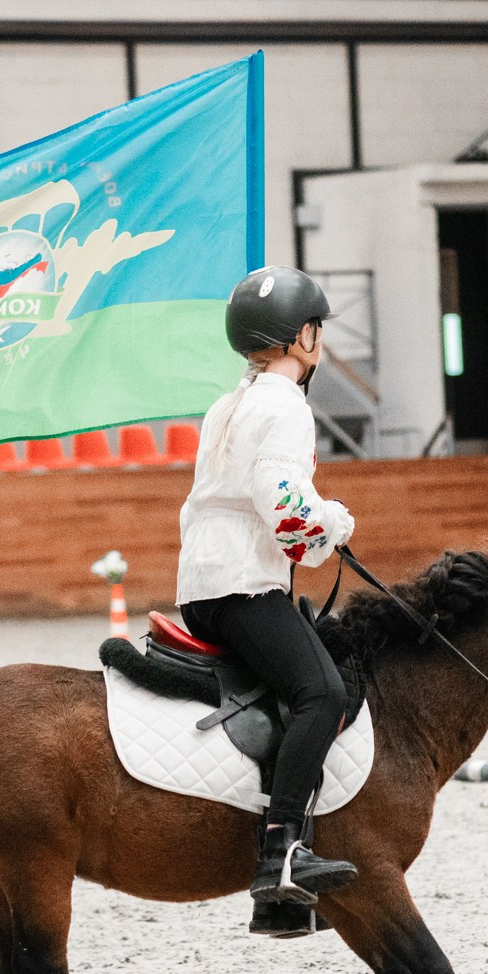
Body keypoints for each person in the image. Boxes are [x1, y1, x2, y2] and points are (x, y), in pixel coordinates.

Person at [177, 265, 359, 923]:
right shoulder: (283, 404)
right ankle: (281, 851)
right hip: (241, 584)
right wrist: (331, 525)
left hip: (203, 580)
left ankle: (282, 899)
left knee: (294, 687)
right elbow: (286, 509)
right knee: (325, 691)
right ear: (300, 335)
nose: (320, 339)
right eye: (318, 327)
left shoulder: (231, 401)